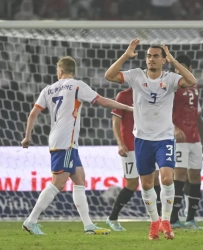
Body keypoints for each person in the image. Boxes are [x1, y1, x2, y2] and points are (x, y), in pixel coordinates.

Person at [21, 56, 133, 235]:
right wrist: (128, 108)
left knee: (79, 179)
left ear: (59, 71)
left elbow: (33, 113)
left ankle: (88, 226)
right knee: (58, 183)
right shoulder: (77, 85)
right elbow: (102, 101)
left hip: (63, 140)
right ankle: (31, 220)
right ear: (73, 70)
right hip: (65, 141)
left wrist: (27, 137)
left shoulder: (48, 89)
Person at [104, 39, 197, 240]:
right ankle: (154, 223)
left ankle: (166, 222)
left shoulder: (171, 78)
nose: (151, 59)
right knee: (146, 184)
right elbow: (109, 75)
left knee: (166, 178)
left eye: (156, 56)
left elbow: (191, 81)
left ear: (163, 60)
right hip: (142, 139)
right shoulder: (136, 76)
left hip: (164, 138)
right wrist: (125, 55)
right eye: (148, 56)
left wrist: (174, 61)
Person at [106, 87, 162, 231]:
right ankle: (112, 218)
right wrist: (120, 143)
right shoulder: (123, 96)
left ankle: (159, 220)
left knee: (155, 179)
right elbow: (116, 121)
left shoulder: (151, 93)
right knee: (132, 183)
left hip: (149, 143)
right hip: (130, 146)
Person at [169, 54, 203, 230]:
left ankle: (190, 218)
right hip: (179, 139)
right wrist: (174, 128)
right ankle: (173, 218)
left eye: (183, 66)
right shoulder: (171, 86)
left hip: (194, 139)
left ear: (190, 68)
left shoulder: (195, 86)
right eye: (177, 66)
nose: (179, 70)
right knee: (180, 176)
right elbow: (162, 111)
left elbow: (198, 116)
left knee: (195, 176)